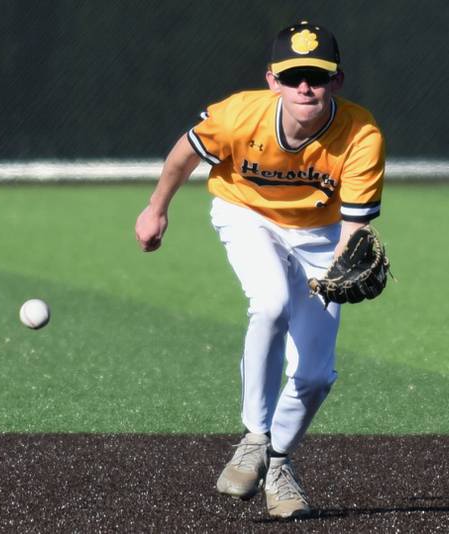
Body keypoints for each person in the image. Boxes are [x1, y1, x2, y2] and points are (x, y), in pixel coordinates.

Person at [135, 21, 385, 518]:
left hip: (318, 236)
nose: (305, 86)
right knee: (270, 303)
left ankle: (277, 460)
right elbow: (184, 155)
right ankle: (254, 435)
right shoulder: (239, 117)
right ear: (273, 80)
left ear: (336, 81)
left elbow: (352, 231)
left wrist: (341, 268)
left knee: (315, 375)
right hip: (245, 214)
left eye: (317, 75)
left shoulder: (361, 134)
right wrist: (156, 208)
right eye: (294, 77)